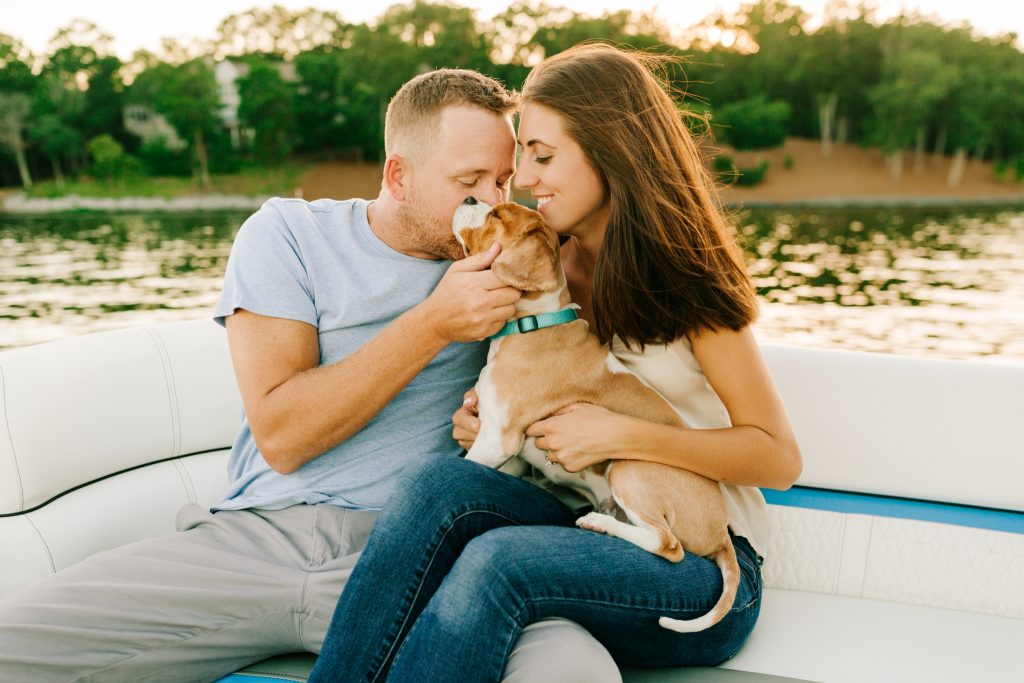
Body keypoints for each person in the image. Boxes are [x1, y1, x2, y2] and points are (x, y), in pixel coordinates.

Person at [0, 68, 614, 683]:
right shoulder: (289, 234)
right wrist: (432, 323)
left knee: (573, 670)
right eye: (468, 182)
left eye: (503, 179)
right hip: (262, 542)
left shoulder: (516, 260)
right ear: (397, 175)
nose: (493, 199)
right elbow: (283, 436)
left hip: (425, 549)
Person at [307, 44, 803, 683]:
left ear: (611, 151)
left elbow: (778, 458)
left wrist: (622, 435)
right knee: (435, 485)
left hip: (700, 566)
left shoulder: (688, 283)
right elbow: (527, 393)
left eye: (543, 157)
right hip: (583, 520)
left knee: (498, 562)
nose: (526, 181)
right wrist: (485, 420)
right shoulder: (542, 266)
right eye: (522, 164)